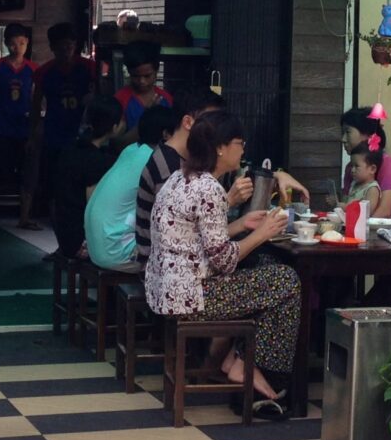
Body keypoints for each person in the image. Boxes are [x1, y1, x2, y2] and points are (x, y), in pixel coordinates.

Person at [145, 111, 298, 406]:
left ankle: (239, 359)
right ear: (220, 148)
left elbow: (192, 239)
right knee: (286, 280)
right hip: (189, 296)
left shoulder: (181, 178)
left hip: (165, 288)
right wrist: (263, 234)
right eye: (239, 143)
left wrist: (242, 226)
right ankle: (254, 368)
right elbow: (224, 261)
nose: (243, 150)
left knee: (265, 267)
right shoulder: (210, 189)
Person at [135, 89, 234, 263]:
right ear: (188, 122)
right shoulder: (169, 167)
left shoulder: (182, 159)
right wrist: (229, 201)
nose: (218, 131)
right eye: (212, 122)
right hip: (165, 271)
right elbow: (185, 232)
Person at [86, 104, 177, 270]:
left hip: (97, 247)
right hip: (116, 251)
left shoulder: (131, 150)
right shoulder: (156, 160)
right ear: (165, 134)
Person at [31, 22, 95, 212]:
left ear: (75, 45)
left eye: (69, 45)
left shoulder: (89, 68)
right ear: (52, 47)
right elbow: (35, 104)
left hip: (82, 133)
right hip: (54, 133)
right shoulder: (44, 72)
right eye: (61, 46)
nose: (66, 50)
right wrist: (34, 133)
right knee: (53, 181)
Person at [51, 98, 125, 259]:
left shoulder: (69, 150)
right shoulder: (99, 161)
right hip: (81, 241)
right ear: (114, 127)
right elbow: (94, 208)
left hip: (64, 234)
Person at [0, 22, 39, 228]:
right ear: (7, 44)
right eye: (14, 43)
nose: (18, 47)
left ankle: (24, 217)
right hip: (1, 127)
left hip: (24, 128)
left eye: (23, 43)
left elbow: (36, 98)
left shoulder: (34, 70)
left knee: (27, 175)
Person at [339, 106, 391, 215]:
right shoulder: (350, 167)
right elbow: (346, 203)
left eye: (348, 132)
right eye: (342, 133)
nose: (343, 139)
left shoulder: (387, 164)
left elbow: (384, 211)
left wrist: (362, 229)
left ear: (367, 135)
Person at [114, 41, 174, 132]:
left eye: (147, 76)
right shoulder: (120, 99)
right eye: (136, 76)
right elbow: (116, 143)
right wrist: (148, 117)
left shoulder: (166, 99)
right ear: (129, 72)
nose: (142, 81)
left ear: (156, 71)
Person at [340, 144, 390, 217]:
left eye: (356, 166)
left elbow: (367, 212)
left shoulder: (372, 189)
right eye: (352, 166)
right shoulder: (354, 184)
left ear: (372, 169)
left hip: (362, 226)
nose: (352, 170)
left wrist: (345, 207)